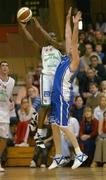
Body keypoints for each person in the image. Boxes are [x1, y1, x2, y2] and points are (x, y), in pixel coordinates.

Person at [48, 9, 88, 170]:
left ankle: (79, 153)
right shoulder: (66, 57)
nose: (70, 47)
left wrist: (76, 23)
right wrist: (66, 21)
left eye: (73, 47)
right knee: (53, 123)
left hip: (63, 96)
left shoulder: (75, 62)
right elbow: (67, 37)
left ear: (77, 51)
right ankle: (59, 156)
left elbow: (73, 41)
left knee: (63, 125)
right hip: (56, 95)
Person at [18, 15, 65, 138]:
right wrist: (24, 29)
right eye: (51, 36)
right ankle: (39, 131)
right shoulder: (43, 49)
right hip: (46, 78)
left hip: (58, 79)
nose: (51, 38)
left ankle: (54, 126)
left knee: (56, 105)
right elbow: (31, 40)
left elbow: (49, 38)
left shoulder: (61, 48)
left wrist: (39, 27)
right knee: (45, 105)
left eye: (54, 37)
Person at [0, 61, 15, 172]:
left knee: (4, 139)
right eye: (2, 66)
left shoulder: (12, 81)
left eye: (6, 66)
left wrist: (12, 102)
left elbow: (10, 96)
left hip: (5, 114)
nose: (5, 67)